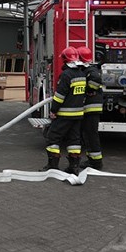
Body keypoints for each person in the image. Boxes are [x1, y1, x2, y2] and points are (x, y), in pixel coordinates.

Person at [41, 46, 86, 174]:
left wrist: (53, 110)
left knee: (53, 138)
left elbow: (60, 96)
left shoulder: (66, 75)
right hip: (78, 114)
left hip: (65, 114)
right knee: (74, 141)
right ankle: (74, 167)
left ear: (65, 59)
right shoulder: (82, 74)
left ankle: (53, 165)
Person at [77, 46, 104, 170]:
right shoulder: (87, 69)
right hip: (89, 108)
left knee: (91, 134)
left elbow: (97, 80)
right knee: (87, 134)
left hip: (91, 108)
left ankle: (96, 163)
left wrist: (88, 89)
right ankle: (92, 160)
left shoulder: (90, 70)